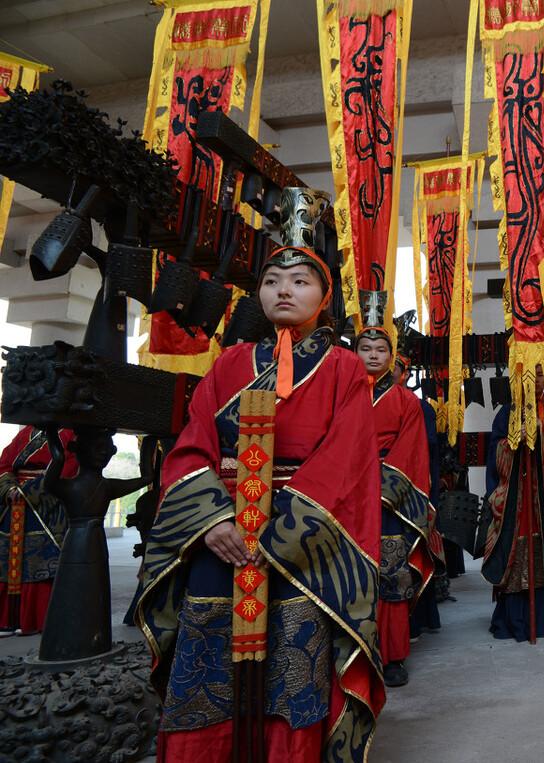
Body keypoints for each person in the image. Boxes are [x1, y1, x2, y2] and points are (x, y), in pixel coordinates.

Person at [133, 188, 384, 761]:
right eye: (273, 282)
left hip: (301, 547)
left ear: (324, 297)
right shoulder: (228, 364)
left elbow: (346, 458)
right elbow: (192, 445)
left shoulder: (345, 369)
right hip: (221, 541)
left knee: (292, 670)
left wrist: (277, 533)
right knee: (207, 667)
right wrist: (216, 522)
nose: (284, 291)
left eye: (300, 282)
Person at [356, 297, 439, 688]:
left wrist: (381, 486)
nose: (373, 355)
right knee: (352, 578)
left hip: (388, 503)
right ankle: (356, 653)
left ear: (392, 355)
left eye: (380, 349)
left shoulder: (407, 402)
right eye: (365, 348)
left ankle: (393, 657)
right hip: (348, 500)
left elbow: (412, 452)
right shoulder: (341, 396)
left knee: (391, 578)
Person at [480, 366, 544, 642]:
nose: (536, 380)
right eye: (530, 374)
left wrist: (541, 435)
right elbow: (494, 457)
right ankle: (514, 620)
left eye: (541, 374)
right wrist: (512, 443)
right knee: (514, 548)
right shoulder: (506, 414)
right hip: (516, 501)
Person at [0, 426, 76, 636]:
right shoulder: (25, 433)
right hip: (14, 505)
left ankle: (35, 619)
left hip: (45, 507)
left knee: (40, 561)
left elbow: (69, 468)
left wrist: (29, 491)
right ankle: (7, 619)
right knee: (7, 562)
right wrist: (10, 489)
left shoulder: (70, 432)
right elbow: (5, 462)